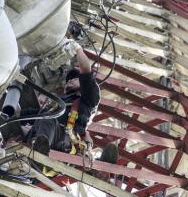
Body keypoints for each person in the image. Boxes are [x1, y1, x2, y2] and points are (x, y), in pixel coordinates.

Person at [19, 45, 119, 173]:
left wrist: (77, 49)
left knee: (47, 119)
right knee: (44, 117)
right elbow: (24, 115)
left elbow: (86, 71)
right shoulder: (55, 107)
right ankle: (41, 154)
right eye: (68, 80)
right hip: (51, 139)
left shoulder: (87, 102)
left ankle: (98, 165)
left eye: (75, 78)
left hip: (68, 143)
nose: (70, 80)